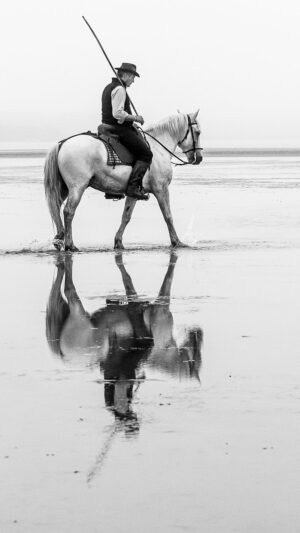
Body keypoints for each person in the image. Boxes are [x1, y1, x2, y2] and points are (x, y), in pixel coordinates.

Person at [101, 62, 153, 200]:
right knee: (146, 154)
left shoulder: (109, 87)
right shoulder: (120, 89)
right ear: (127, 75)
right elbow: (117, 114)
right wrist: (135, 118)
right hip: (119, 128)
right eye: (133, 77)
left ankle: (113, 188)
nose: (133, 81)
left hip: (106, 126)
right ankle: (133, 187)